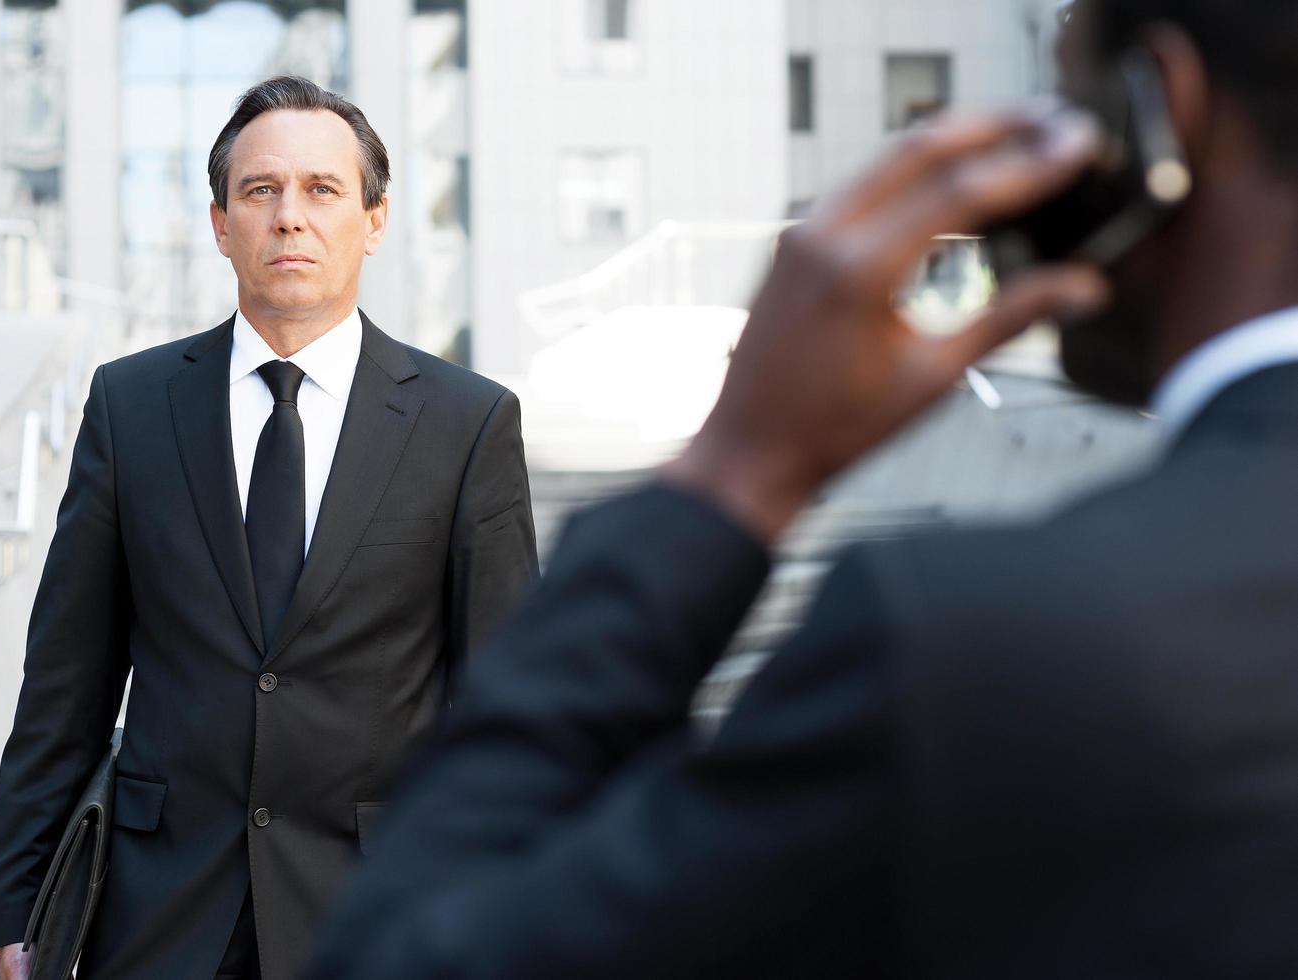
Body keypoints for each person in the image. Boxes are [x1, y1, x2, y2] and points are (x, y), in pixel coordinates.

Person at [312, 2, 1298, 976]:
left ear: (1162, 108)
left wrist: (733, 471)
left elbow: (405, 957)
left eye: (1062, 115)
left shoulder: (972, 635)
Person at [0, 76, 538, 980]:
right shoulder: (131, 406)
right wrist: (16, 908)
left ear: (375, 219)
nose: (290, 217)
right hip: (155, 917)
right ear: (220, 224)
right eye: (260, 191)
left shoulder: (465, 424)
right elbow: (64, 687)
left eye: (323, 190)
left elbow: (509, 706)